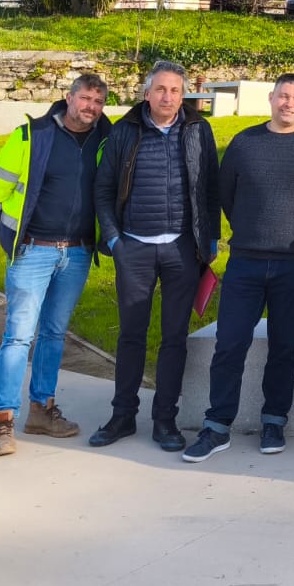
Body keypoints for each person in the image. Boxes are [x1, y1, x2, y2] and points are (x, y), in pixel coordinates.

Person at [182, 73, 294, 462]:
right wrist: (250, 227)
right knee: (230, 343)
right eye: (283, 96)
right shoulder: (245, 143)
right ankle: (217, 425)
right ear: (271, 99)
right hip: (246, 261)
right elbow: (225, 194)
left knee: (285, 347)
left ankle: (274, 420)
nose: (289, 103)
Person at [87, 60, 219, 453]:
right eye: (160, 89)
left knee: (174, 337)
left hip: (182, 248)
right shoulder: (125, 132)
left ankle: (165, 420)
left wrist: (208, 241)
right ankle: (123, 415)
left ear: (184, 94)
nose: (168, 97)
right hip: (134, 248)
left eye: (175, 90)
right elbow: (103, 189)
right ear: (146, 94)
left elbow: (210, 188)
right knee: (131, 335)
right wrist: (114, 241)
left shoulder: (198, 130)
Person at [0, 73, 111, 457]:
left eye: (98, 102)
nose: (90, 107)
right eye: (85, 98)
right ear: (69, 97)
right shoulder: (31, 136)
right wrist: (17, 235)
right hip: (33, 251)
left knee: (54, 334)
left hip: (76, 253)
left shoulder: (106, 141)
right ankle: (3, 421)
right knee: (19, 336)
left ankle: (41, 410)